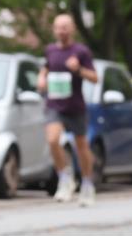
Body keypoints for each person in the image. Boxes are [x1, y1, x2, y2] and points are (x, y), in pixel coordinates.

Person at [37, 14, 99, 206]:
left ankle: (88, 185)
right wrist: (41, 78)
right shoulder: (50, 50)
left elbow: (95, 78)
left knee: (81, 146)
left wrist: (78, 69)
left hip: (75, 106)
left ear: (72, 29)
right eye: (58, 27)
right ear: (54, 30)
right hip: (55, 104)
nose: (61, 31)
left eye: (65, 27)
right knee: (52, 140)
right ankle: (65, 178)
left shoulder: (81, 51)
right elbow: (46, 67)